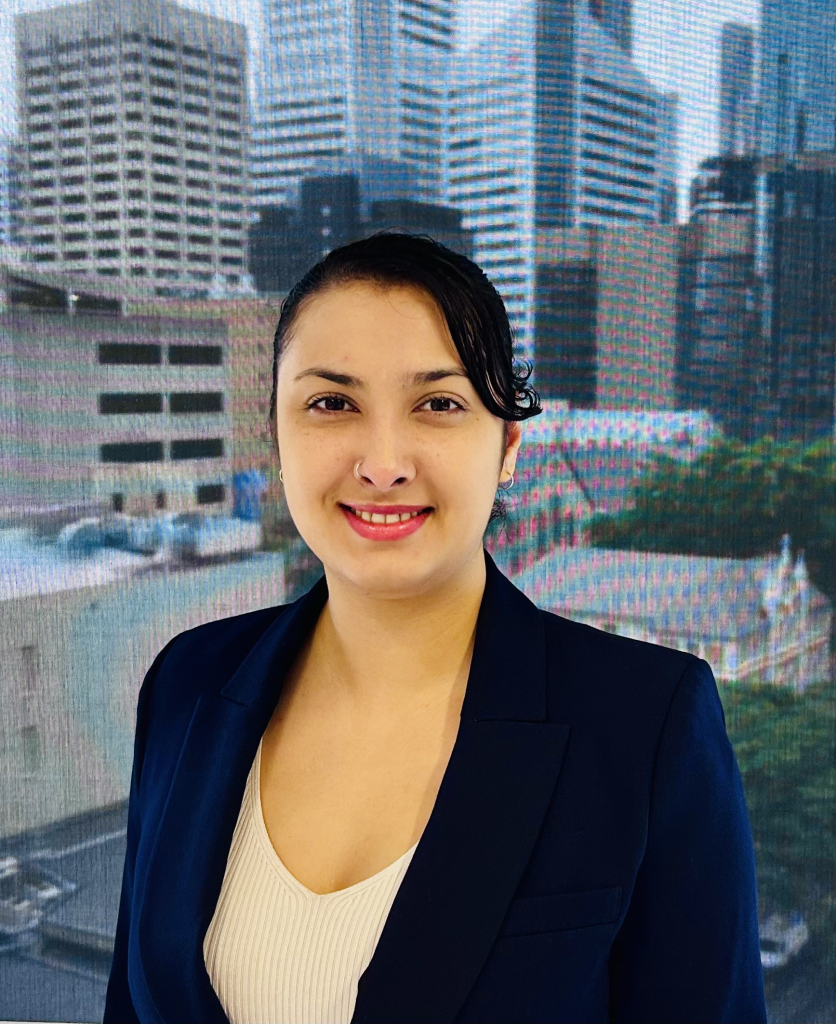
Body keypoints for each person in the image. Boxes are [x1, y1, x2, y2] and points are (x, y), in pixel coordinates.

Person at [103, 232, 767, 1024]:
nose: (383, 463)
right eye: (332, 403)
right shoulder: (187, 681)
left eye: (439, 404)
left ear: (508, 446)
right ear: (276, 435)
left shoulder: (647, 723)